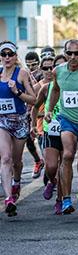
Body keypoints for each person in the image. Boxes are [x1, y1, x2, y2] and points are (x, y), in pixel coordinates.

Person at [45, 39, 78, 214]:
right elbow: (55, 90)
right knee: (67, 154)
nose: (73, 57)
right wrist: (49, 109)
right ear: (65, 53)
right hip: (67, 120)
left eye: (77, 53)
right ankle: (66, 199)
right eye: (69, 53)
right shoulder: (57, 71)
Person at [0, 41, 36, 216]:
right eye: (3, 54)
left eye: (10, 54)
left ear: (15, 56)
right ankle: (8, 199)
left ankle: (17, 180)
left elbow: (34, 100)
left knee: (16, 162)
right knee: (5, 158)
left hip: (20, 122)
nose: (7, 57)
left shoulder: (21, 73)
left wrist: (17, 92)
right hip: (2, 122)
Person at [31, 55, 66, 214]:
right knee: (51, 166)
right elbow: (35, 107)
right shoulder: (45, 88)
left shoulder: (70, 87)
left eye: (53, 67)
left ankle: (60, 200)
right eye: (45, 68)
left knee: (62, 167)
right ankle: (52, 182)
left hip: (68, 130)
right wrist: (33, 125)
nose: (49, 71)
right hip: (50, 131)